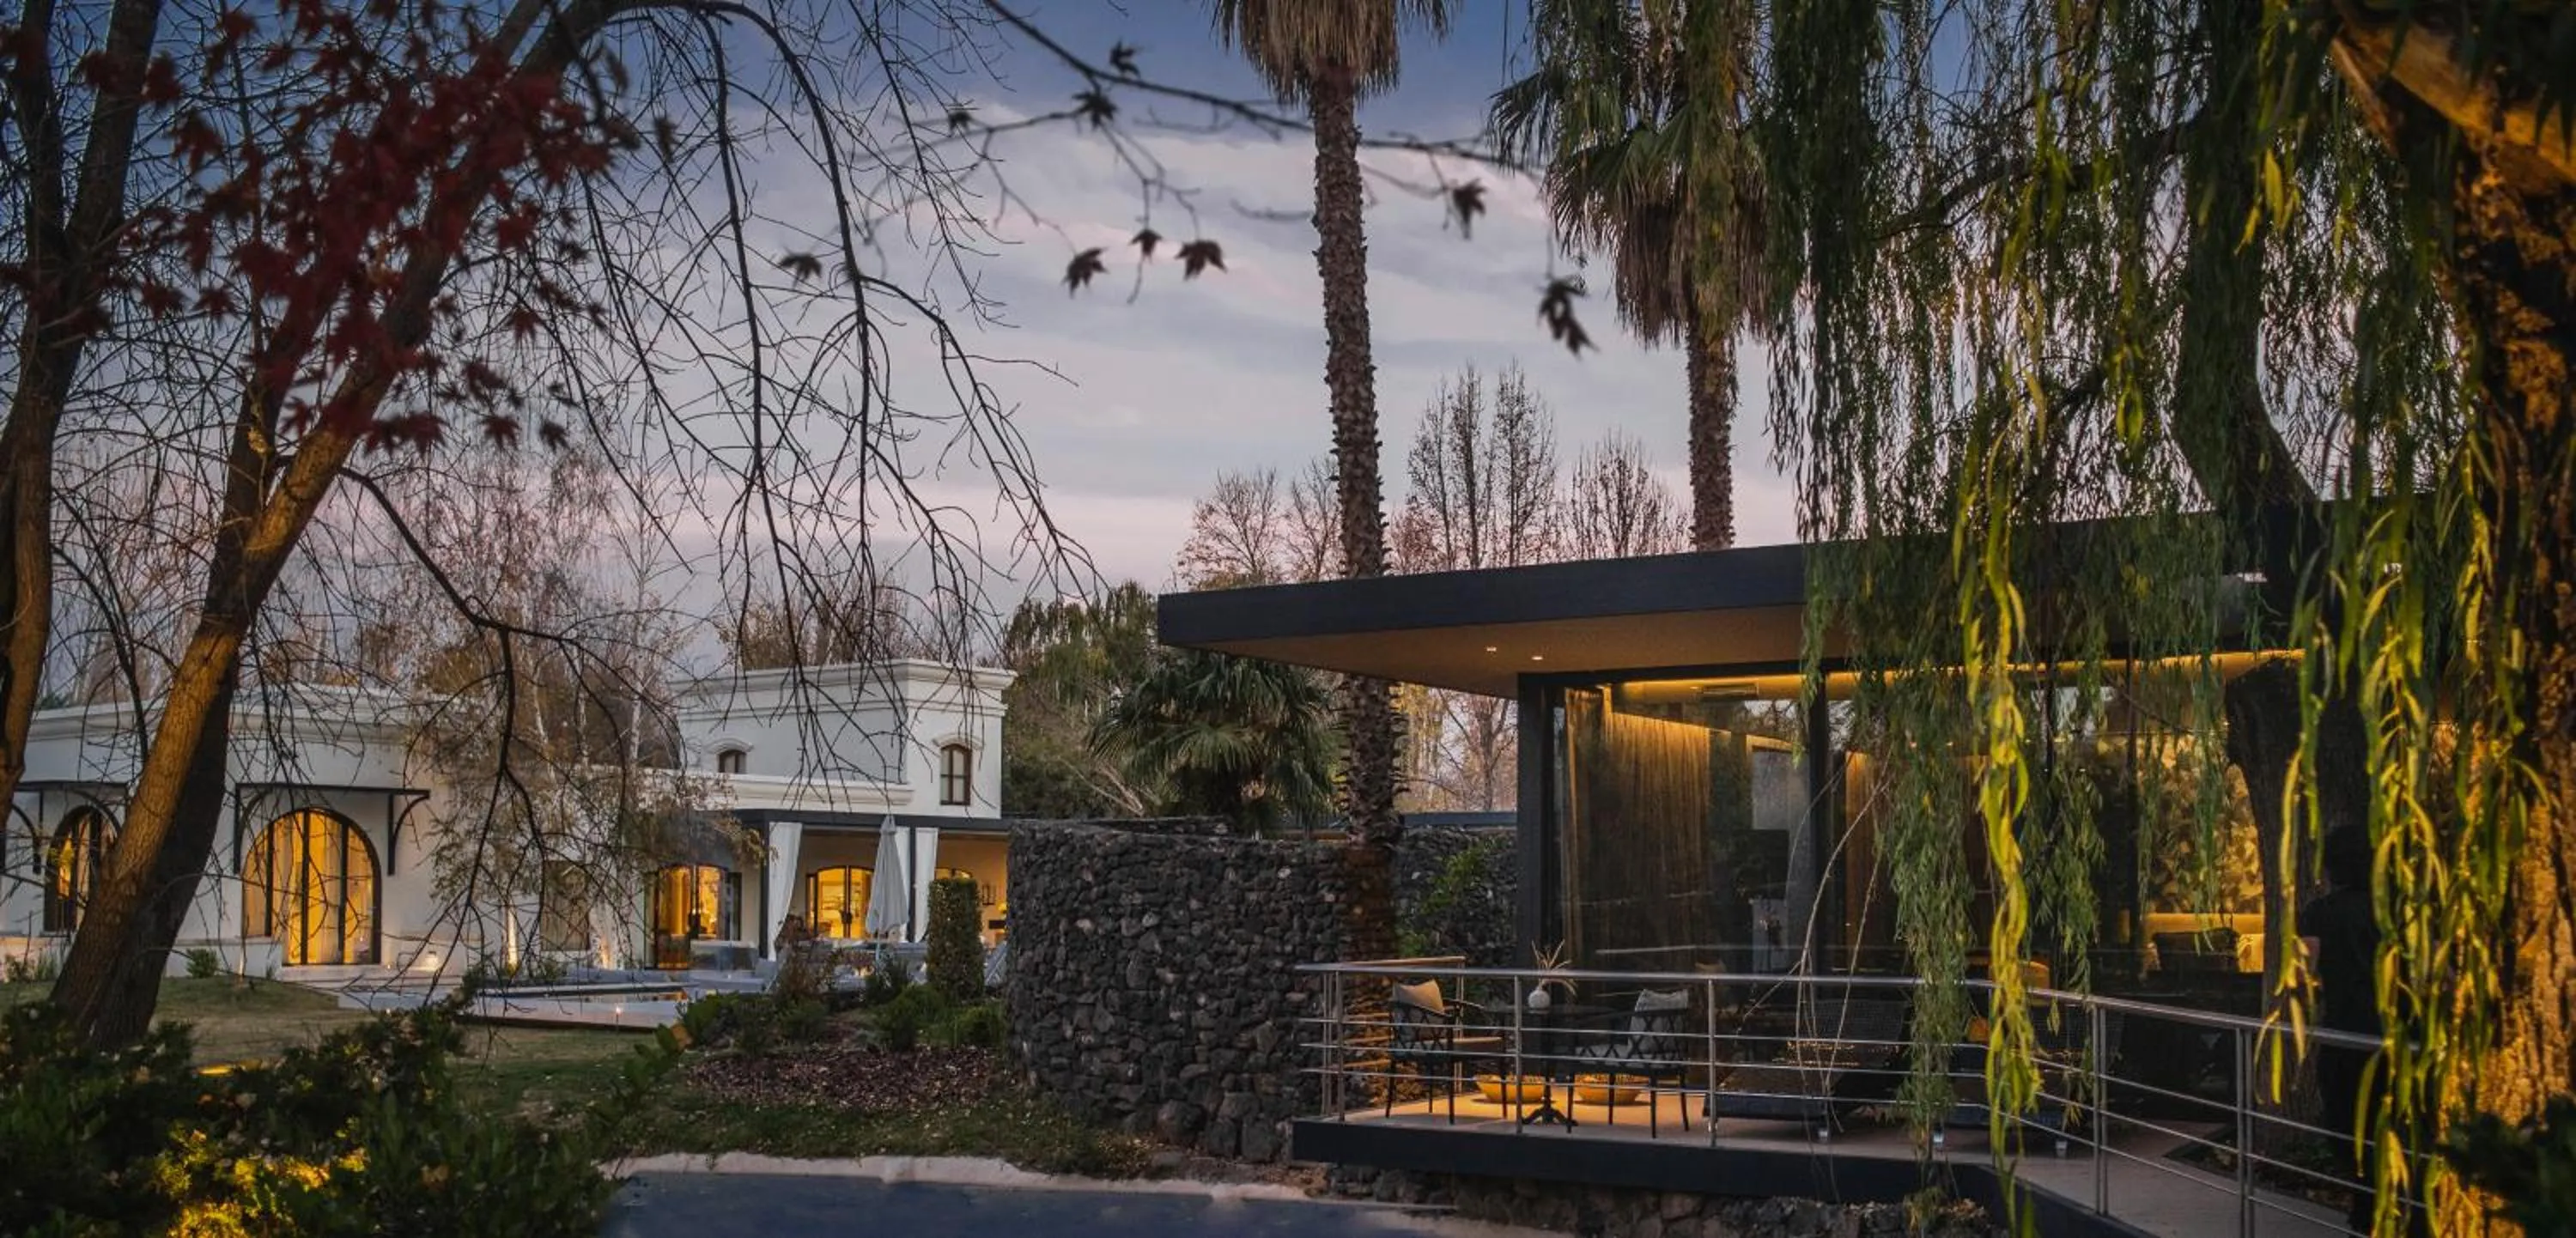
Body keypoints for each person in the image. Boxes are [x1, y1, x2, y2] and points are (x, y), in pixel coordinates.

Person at [2303, 823, 2388, 1235]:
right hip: (2391, 1033)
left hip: (2343, 1032)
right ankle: (2380, 1203)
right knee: (2383, 1120)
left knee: (2345, 1122)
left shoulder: (2320, 912)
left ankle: (2364, 1204)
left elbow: (2304, 972)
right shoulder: (2391, 909)